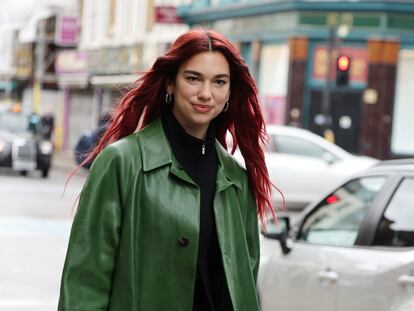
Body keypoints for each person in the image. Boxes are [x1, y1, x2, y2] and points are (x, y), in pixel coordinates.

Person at [58, 29, 276, 311]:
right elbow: (84, 282)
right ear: (171, 83)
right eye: (193, 78)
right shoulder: (123, 163)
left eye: (219, 82)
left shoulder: (236, 180)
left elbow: (244, 284)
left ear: (229, 92)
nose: (206, 93)